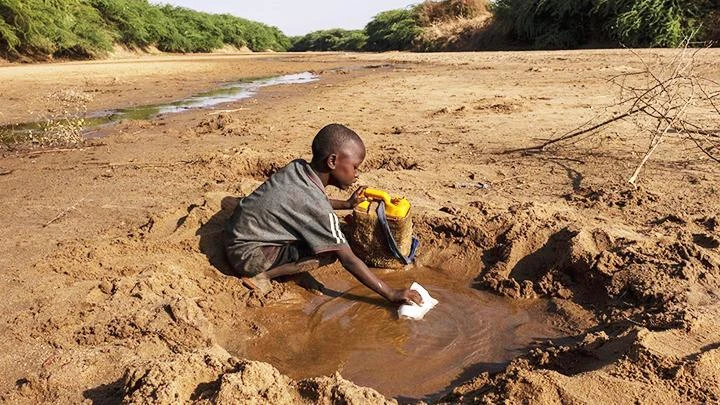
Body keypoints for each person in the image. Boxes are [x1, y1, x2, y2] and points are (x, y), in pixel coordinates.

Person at [225, 123, 422, 306]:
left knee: (322, 235)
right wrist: (391, 293)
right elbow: (348, 259)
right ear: (332, 161)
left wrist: (346, 204)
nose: (357, 174)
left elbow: (302, 204)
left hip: (238, 236)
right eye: (354, 166)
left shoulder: (298, 168)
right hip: (248, 257)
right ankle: (265, 275)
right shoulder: (316, 205)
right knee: (331, 250)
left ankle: (289, 269)